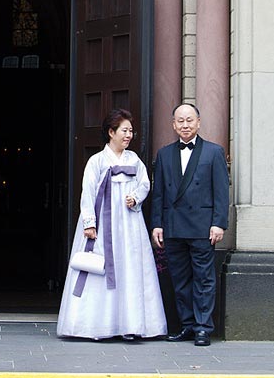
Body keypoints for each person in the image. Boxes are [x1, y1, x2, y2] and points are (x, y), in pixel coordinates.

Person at [57, 109, 167, 341]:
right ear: (111, 132)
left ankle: (130, 324)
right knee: (99, 270)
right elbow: (87, 192)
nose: (128, 135)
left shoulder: (134, 160)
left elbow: (145, 183)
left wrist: (135, 197)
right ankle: (95, 326)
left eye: (130, 131)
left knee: (130, 268)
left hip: (128, 223)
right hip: (103, 223)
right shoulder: (96, 161)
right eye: (124, 131)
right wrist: (89, 222)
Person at [151, 103, 229, 347]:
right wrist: (157, 224)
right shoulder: (164, 154)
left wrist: (219, 223)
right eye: (180, 121)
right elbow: (159, 193)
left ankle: (203, 328)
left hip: (202, 227)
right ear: (173, 124)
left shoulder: (214, 152)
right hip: (173, 226)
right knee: (180, 279)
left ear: (198, 122)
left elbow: (221, 192)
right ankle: (187, 325)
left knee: (204, 278)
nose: (185, 125)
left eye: (189, 120)